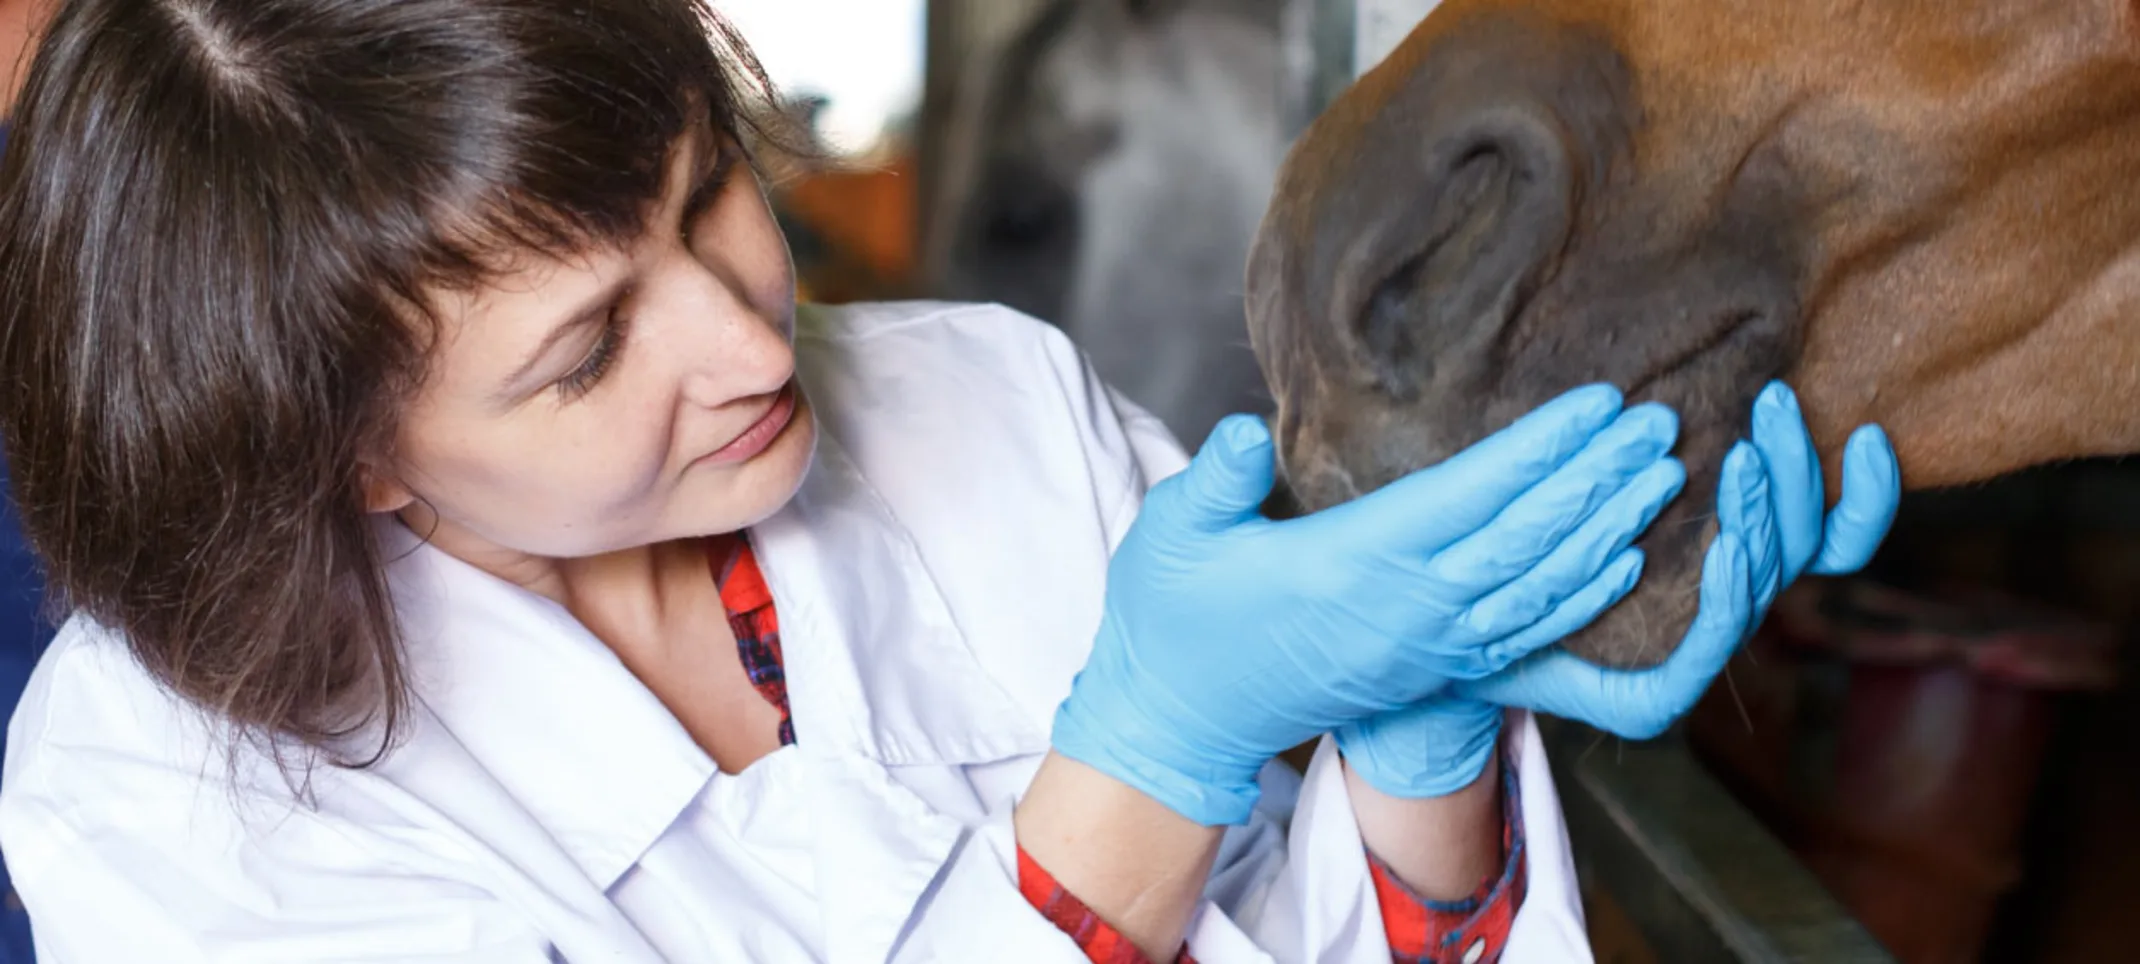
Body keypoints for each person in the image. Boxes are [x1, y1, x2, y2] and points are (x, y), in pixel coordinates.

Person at [0, 1, 1902, 962]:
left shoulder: (981, 400)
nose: (754, 346)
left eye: (708, 195)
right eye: (586, 356)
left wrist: (1425, 752)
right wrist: (1143, 768)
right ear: (355, 462)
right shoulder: (171, 800)